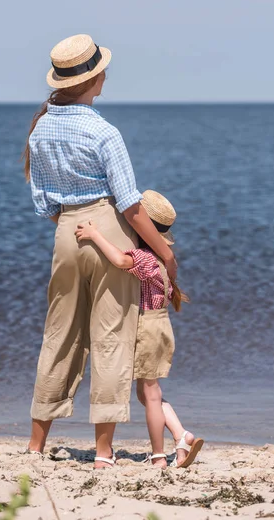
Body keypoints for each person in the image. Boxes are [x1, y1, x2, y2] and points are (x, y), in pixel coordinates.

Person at [22, 34, 177, 469]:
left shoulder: (41, 128)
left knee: (59, 335)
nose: (106, 75)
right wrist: (164, 252)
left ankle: (35, 445)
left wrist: (75, 225)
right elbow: (129, 202)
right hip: (108, 224)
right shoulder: (103, 130)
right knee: (110, 337)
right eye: (101, 70)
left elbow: (45, 204)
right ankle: (104, 454)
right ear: (93, 80)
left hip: (67, 231)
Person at [75, 190, 204, 468]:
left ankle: (159, 456)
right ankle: (182, 436)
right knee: (148, 393)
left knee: (150, 393)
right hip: (160, 327)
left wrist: (95, 234)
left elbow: (121, 261)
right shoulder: (165, 263)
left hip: (145, 327)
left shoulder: (145, 258)